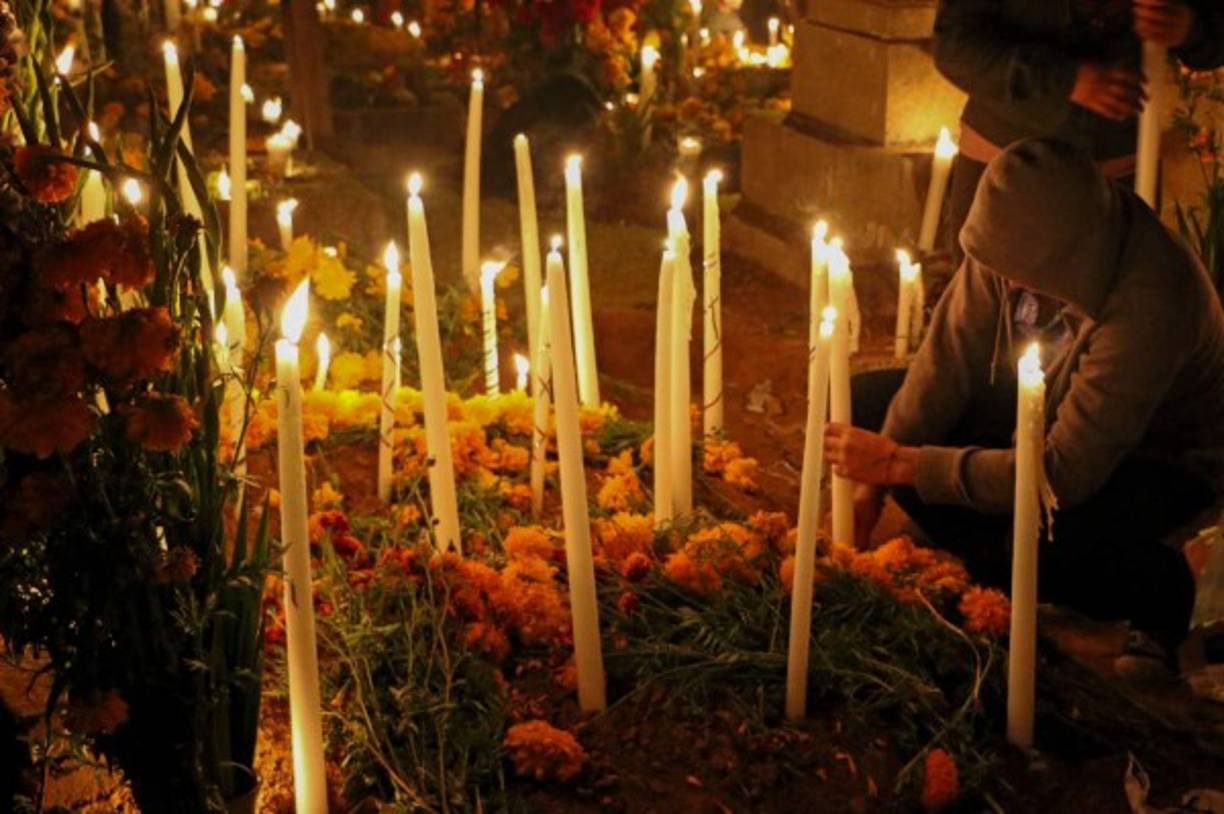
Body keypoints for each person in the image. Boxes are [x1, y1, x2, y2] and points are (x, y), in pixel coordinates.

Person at [824, 139, 1224, 675]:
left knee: (1031, 552)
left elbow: (1063, 475)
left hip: (1153, 460)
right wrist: (873, 485)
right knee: (865, 405)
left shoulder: (1151, 302)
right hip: (1044, 410)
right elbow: (947, 363)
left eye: (1017, 272)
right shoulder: (1012, 237)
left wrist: (901, 464)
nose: (1005, 282)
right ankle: (986, 538)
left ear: (1066, 257)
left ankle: (1158, 588)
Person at [932, 0, 1224, 263]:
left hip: (1120, 182)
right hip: (1005, 169)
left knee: (1118, 309)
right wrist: (1067, 79)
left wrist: (1189, 28)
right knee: (990, 313)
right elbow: (954, 45)